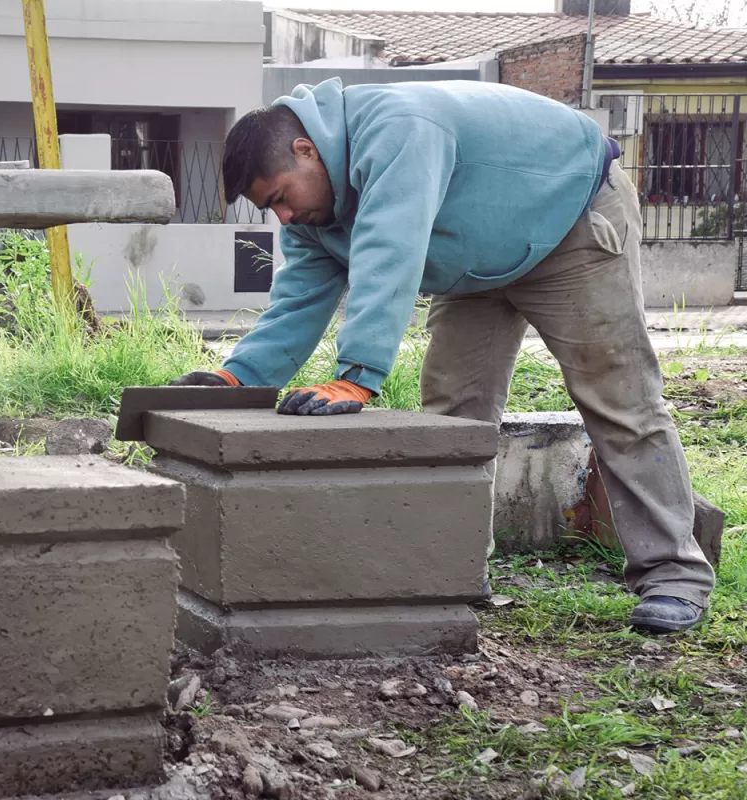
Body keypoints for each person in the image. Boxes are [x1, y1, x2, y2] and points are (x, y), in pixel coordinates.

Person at [169, 77, 714, 634]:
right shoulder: (314, 213)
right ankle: (452, 570)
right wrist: (239, 377)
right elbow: (300, 295)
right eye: (270, 209)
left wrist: (357, 375)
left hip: (568, 223)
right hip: (473, 264)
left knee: (621, 400)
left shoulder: (396, 127)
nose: (282, 218)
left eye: (280, 197)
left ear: (306, 151)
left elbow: (391, 244)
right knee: (454, 416)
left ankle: (675, 574)